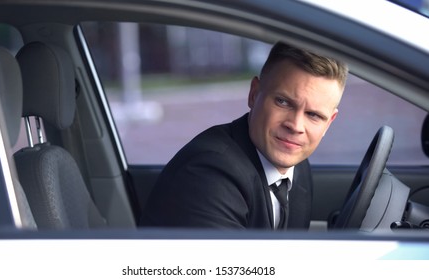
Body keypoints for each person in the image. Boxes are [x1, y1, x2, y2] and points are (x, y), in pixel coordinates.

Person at [140, 42, 348, 230]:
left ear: (329, 122)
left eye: (314, 115)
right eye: (283, 102)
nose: (295, 126)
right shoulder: (208, 175)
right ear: (254, 94)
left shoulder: (298, 168)